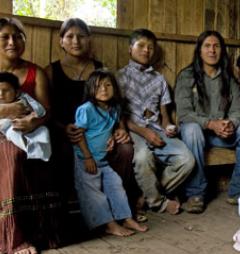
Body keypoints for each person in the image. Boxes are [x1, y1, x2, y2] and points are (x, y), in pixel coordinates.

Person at [45, 18, 142, 221]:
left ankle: (120, 207)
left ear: (89, 40)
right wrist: (63, 129)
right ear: (61, 41)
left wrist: (120, 129)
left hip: (100, 134)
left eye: (81, 36)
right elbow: (46, 111)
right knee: (60, 152)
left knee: (125, 149)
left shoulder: (101, 69)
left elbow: (116, 104)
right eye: (69, 36)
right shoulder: (51, 71)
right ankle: (64, 212)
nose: (76, 41)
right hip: (67, 133)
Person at [175, 30, 240, 213]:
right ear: (199, 51)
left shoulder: (228, 78)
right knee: (191, 129)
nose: (212, 50)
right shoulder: (187, 76)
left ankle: (238, 191)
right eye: (207, 46)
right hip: (196, 135)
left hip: (220, 134)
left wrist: (230, 123)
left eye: (216, 46)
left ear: (222, 50)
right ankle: (196, 194)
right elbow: (184, 114)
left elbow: (239, 111)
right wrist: (210, 124)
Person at [0, 17, 61, 254]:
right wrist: (5, 110)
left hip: (27, 129)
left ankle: (43, 232)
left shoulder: (36, 72)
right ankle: (14, 236)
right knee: (13, 154)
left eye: (18, 37)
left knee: (40, 152)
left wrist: (32, 121)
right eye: (5, 37)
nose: (12, 42)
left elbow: (46, 110)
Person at [117, 28, 194, 215]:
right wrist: (144, 133)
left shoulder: (159, 79)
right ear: (130, 49)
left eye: (150, 47)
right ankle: (158, 203)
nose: (146, 50)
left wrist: (168, 126)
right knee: (143, 157)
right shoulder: (119, 77)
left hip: (156, 128)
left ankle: (147, 195)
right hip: (134, 129)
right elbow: (119, 115)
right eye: (141, 46)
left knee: (187, 160)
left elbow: (164, 113)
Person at [74, 69, 147, 236]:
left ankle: (126, 218)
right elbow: (78, 135)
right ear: (90, 89)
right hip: (86, 159)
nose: (104, 89)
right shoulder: (87, 109)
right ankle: (109, 224)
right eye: (98, 86)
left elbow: (110, 127)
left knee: (116, 187)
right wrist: (87, 157)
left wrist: (114, 136)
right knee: (94, 194)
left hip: (103, 160)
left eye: (108, 85)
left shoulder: (113, 108)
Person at [0, 72, 50, 161]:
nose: (1, 94)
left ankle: (31, 149)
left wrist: (33, 115)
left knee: (42, 131)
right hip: (5, 134)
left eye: (6, 90)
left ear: (16, 92)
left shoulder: (22, 100)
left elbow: (40, 110)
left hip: (23, 128)